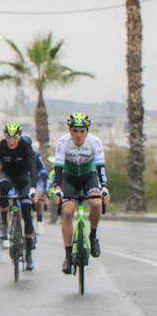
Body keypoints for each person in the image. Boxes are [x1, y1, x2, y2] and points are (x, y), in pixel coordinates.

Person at [51, 112, 107, 273]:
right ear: (69, 131)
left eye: (82, 131)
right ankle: (68, 256)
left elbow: (100, 167)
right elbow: (58, 168)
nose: (78, 135)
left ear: (87, 131)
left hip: (88, 177)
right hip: (69, 178)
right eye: (75, 131)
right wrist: (58, 188)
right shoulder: (63, 142)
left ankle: (93, 235)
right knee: (68, 211)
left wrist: (105, 188)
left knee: (96, 203)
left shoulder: (95, 142)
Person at [0, 122, 40, 270]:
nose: (11, 141)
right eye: (8, 137)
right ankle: (4, 225)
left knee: (27, 212)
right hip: (7, 177)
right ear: (5, 137)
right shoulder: (0, 147)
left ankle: (29, 255)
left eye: (15, 137)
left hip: (23, 178)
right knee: (2, 190)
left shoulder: (25, 146)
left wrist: (33, 188)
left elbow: (32, 167)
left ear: (19, 137)